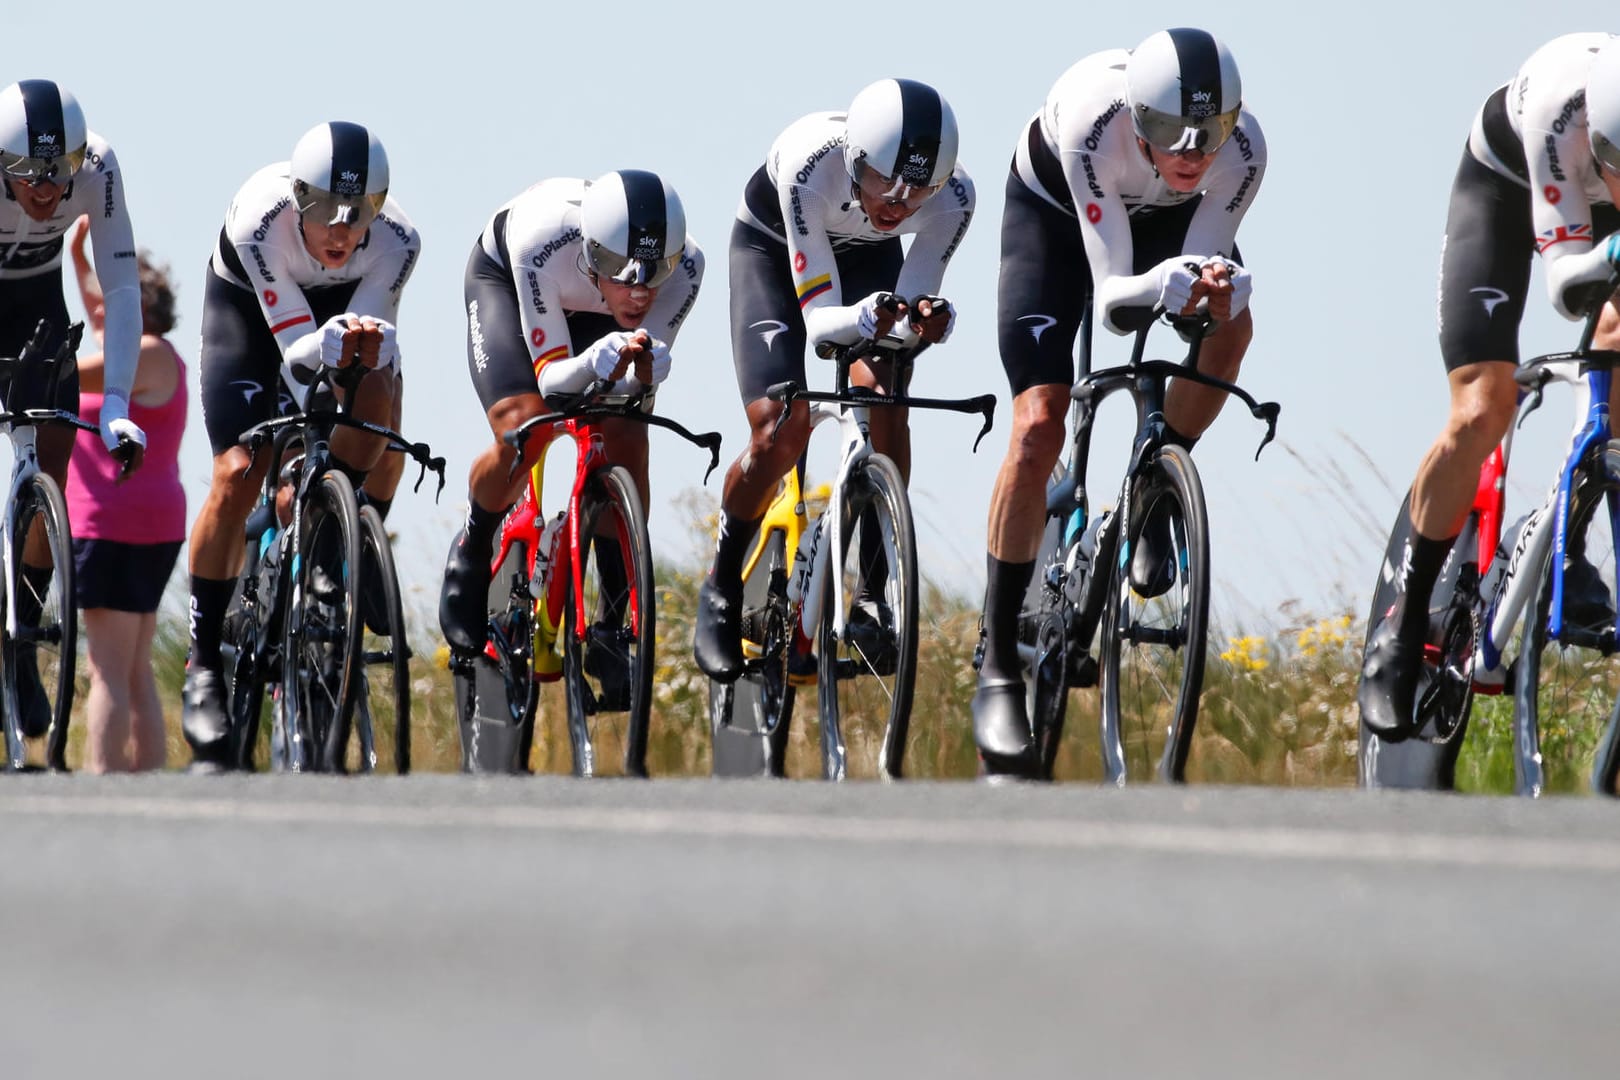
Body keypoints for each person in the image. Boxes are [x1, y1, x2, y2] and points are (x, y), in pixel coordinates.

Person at [972, 28, 1265, 775]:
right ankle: (1000, 657)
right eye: (1172, 131)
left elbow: (1200, 262)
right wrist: (1159, 289)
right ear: (1139, 116)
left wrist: (1213, 290)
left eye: (1213, 133)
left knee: (1233, 329)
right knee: (1040, 422)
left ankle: (1158, 493)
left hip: (1167, 218)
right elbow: (1114, 299)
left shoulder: (1245, 152)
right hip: (1062, 217)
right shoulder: (1091, 123)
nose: (1194, 151)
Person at [1360, 32, 1620, 739]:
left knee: (1618, 345)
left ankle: (1567, 540)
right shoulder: (1559, 116)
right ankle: (1405, 623)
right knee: (1484, 406)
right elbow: (1569, 285)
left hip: (1596, 210)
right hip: (1506, 190)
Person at [692, 77, 974, 683]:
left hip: (868, 259)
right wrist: (872, 315)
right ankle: (719, 588)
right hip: (775, 250)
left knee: (885, 395)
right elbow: (822, 325)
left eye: (917, 188)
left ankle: (873, 590)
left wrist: (921, 320)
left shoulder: (955, 198)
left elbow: (907, 307)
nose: (898, 202)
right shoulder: (807, 165)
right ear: (855, 161)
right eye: (883, 181)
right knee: (780, 428)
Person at [183, 121, 420, 769]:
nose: (342, 230)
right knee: (238, 469)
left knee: (383, 411)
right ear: (296, 198)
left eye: (359, 211)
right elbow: (293, 357)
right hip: (252, 317)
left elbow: (375, 349)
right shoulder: (260, 222)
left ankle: (330, 538)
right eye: (323, 210)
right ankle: (202, 660)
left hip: (340, 313)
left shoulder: (398, 242)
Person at [438, 170, 704, 659]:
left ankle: (612, 619)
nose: (641, 290)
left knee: (626, 435)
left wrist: (644, 373)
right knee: (527, 426)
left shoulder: (686, 266)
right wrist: (588, 362)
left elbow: (634, 383)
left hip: (598, 315)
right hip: (511, 286)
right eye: (624, 270)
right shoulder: (542, 242)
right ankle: (472, 550)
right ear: (594, 253)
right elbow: (551, 381)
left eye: (655, 271)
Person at [0, 79, 146, 740]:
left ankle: (21, 637)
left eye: (58, 173)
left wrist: (116, 399)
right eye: (29, 174)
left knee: (48, 471)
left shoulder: (98, 167)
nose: (47, 188)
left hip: (38, 307)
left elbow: (120, 286)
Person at [66, 220, 186, 772]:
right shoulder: (159, 357)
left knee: (107, 667)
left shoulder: (142, 354)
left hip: (110, 523)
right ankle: (146, 779)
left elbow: (65, 371)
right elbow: (96, 310)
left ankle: (105, 782)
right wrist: (78, 257)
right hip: (153, 522)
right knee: (134, 666)